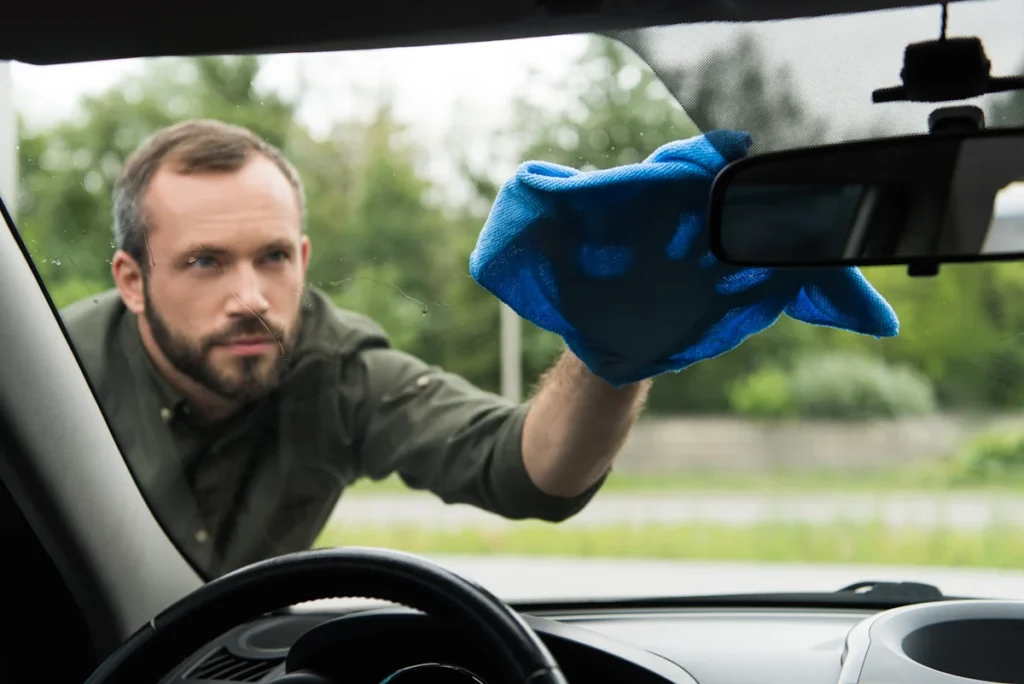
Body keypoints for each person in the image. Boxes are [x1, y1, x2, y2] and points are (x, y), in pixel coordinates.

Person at [61, 119, 650, 575]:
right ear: (132, 281)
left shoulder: (338, 370)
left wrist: (616, 337)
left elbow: (527, 469)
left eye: (273, 257)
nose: (251, 300)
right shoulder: (50, 377)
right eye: (205, 262)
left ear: (304, 259)